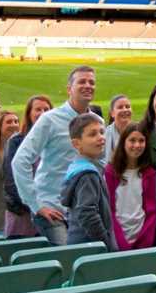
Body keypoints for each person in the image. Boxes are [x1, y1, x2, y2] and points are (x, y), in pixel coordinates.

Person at [13, 65, 98, 245]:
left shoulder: (97, 123)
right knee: (68, 257)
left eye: (91, 82)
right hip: (52, 208)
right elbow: (20, 160)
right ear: (69, 89)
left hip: (83, 209)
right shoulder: (50, 119)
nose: (88, 85)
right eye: (82, 81)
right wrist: (36, 205)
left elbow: (100, 163)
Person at [60, 113, 116, 250]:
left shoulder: (77, 167)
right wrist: (106, 244)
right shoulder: (87, 174)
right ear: (76, 143)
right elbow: (86, 213)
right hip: (90, 247)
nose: (101, 138)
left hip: (80, 243)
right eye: (93, 134)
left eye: (102, 132)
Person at [3, 95, 52, 238]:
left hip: (50, 212)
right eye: (38, 109)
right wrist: (35, 207)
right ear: (29, 114)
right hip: (22, 215)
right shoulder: (16, 141)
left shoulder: (55, 140)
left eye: (46, 109)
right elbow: (11, 181)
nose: (42, 113)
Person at [104, 122, 156, 250]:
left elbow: (152, 211)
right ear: (123, 142)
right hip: (117, 240)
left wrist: (143, 240)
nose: (137, 145)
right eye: (132, 140)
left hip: (143, 240)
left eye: (141, 141)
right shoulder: (110, 172)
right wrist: (120, 241)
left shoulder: (149, 174)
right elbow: (109, 210)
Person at [105, 95, 133, 161]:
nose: (125, 110)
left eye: (127, 107)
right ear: (112, 113)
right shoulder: (104, 134)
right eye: (120, 107)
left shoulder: (140, 130)